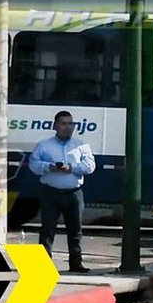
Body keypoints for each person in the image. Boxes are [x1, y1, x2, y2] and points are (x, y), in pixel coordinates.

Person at [29, 111, 96, 272]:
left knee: (75, 231)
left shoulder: (81, 145)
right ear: (55, 126)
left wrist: (72, 167)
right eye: (63, 123)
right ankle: (43, 266)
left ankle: (76, 264)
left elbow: (90, 166)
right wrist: (49, 167)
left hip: (74, 193)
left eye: (70, 124)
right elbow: (33, 165)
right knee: (47, 230)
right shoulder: (44, 145)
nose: (67, 127)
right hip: (51, 193)